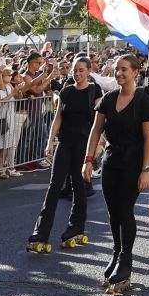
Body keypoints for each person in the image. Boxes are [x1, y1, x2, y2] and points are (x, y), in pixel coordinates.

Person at [84, 54, 149, 296]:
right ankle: (116, 252)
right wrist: (88, 160)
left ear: (136, 72)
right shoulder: (108, 99)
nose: (119, 73)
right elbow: (95, 131)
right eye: (117, 70)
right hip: (111, 160)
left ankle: (126, 259)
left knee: (125, 211)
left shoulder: (143, 100)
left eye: (124, 69)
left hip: (134, 162)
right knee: (113, 213)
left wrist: (146, 170)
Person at [31, 56, 99, 251]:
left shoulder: (94, 91)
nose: (77, 74)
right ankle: (41, 232)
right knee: (54, 186)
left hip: (83, 144)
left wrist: (96, 147)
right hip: (65, 141)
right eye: (75, 70)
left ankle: (76, 228)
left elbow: (99, 122)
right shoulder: (66, 91)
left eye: (81, 70)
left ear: (88, 71)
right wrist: (50, 141)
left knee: (79, 187)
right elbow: (58, 117)